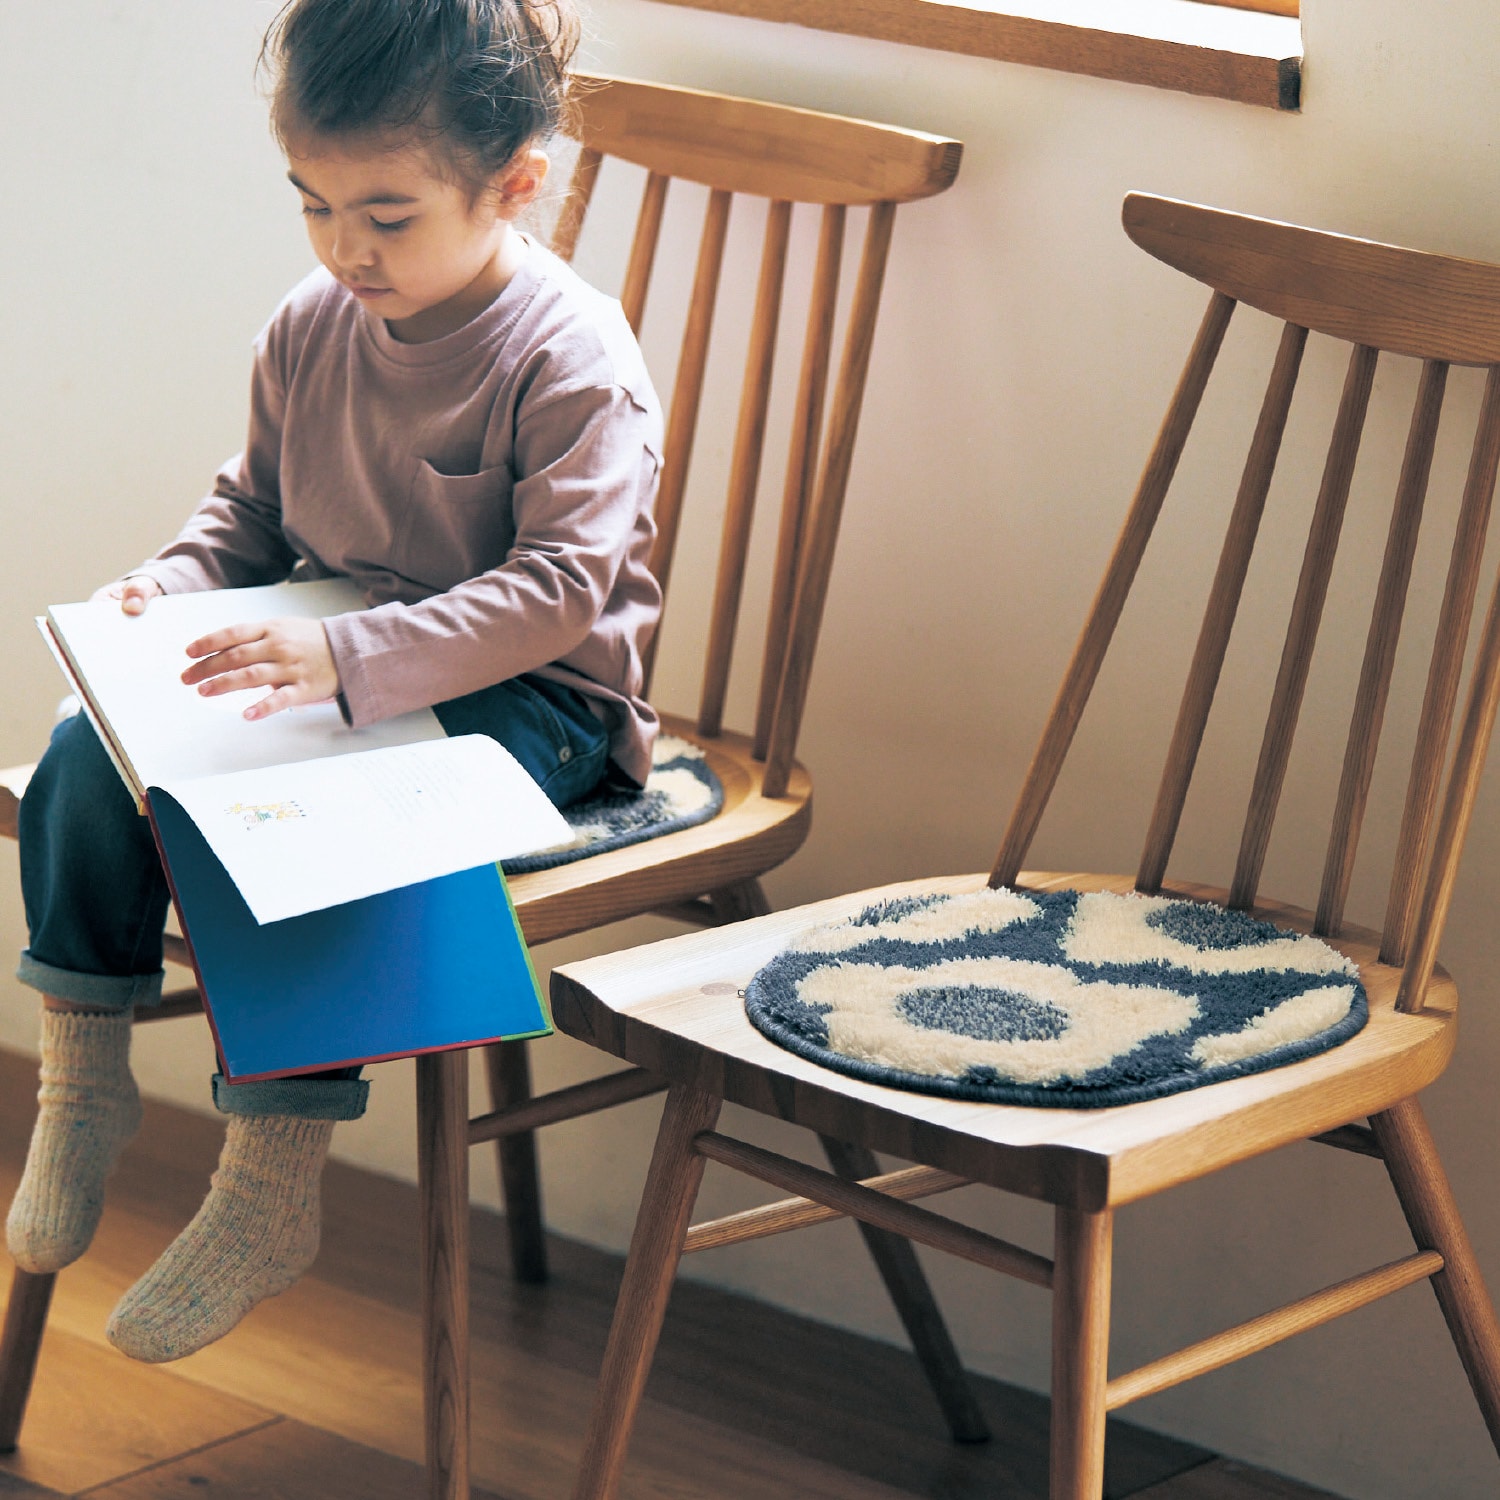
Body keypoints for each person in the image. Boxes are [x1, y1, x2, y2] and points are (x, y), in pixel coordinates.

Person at [6, 0, 662, 1364]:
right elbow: (245, 518)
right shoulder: (313, 322)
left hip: (538, 703)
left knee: (315, 812)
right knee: (87, 747)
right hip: (327, 656)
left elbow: (561, 593)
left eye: (387, 213)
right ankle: (84, 1076)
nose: (343, 247)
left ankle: (271, 1180)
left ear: (516, 183)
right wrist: (163, 592)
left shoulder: (571, 356)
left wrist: (349, 659)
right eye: (311, 203)